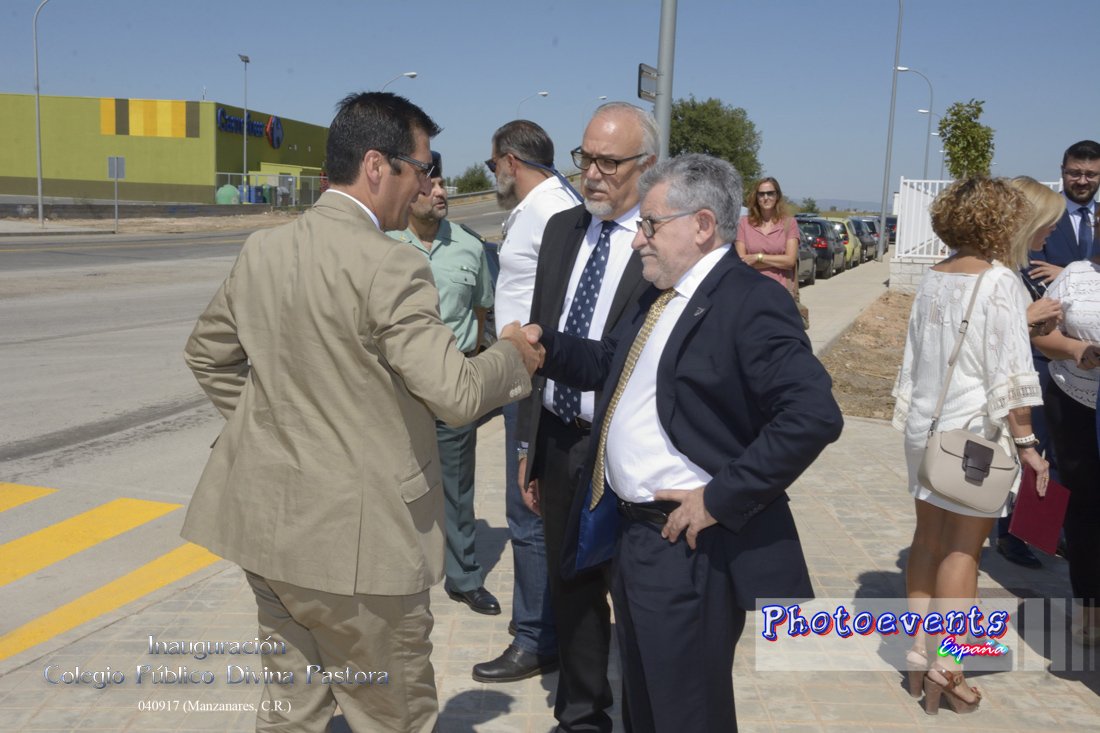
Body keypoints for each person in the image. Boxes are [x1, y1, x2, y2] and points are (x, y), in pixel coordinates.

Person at [181, 92, 540, 733]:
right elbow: (456, 393)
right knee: (391, 715)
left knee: (293, 711)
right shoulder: (390, 263)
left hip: (270, 531)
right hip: (361, 554)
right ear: (377, 166)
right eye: (421, 169)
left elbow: (208, 355)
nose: (427, 185)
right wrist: (514, 354)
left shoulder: (264, 249)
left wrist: (277, 431)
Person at [530, 153, 844, 732]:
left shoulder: (750, 300)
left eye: (650, 225)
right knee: (647, 705)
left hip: (685, 545)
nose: (637, 241)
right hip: (632, 538)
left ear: (702, 225)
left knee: (686, 711)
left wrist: (720, 498)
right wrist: (545, 344)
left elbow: (813, 415)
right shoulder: (661, 293)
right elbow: (607, 362)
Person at [516, 101, 656, 731]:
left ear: (645, 165)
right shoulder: (562, 230)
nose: (592, 173)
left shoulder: (661, 242)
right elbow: (539, 342)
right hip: (558, 438)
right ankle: (581, 717)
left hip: (624, 449)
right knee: (570, 590)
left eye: (609, 162)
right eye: (585, 158)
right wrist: (529, 446)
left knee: (636, 594)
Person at [893, 177, 1048, 715]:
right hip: (974, 438)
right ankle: (949, 665)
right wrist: (1027, 444)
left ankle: (920, 653)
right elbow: (1012, 374)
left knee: (926, 541)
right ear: (1001, 222)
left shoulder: (933, 276)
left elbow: (913, 358)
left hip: (927, 429)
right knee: (963, 551)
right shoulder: (999, 281)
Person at [473, 119, 581, 682]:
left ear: (511, 161)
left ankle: (538, 637)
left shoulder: (552, 211)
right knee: (532, 502)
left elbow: (569, 300)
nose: (494, 174)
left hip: (536, 376)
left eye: (493, 165)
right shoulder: (543, 206)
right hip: (527, 372)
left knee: (527, 505)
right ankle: (537, 620)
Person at [387, 151, 500, 615]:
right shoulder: (383, 244)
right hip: (396, 388)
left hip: (452, 383)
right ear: (409, 192)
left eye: (442, 184)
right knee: (392, 483)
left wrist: (465, 364)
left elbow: (481, 311)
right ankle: (393, 575)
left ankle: (464, 576)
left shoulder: (469, 247)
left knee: (456, 485)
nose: (440, 192)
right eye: (429, 185)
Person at [1007, 141, 1100, 567]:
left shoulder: (1097, 216)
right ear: (1063, 170)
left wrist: (1072, 274)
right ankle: (1014, 534)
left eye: (1091, 174)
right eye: (1075, 172)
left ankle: (1054, 533)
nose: (1082, 180)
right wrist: (1074, 274)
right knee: (1033, 446)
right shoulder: (1047, 214)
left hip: (1086, 370)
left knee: (1069, 460)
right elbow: (1032, 268)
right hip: (1044, 352)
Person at [991, 177, 1067, 567]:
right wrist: (1030, 319)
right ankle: (1012, 535)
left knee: (1048, 457)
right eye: (1049, 221)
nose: (1054, 230)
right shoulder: (998, 273)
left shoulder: (1018, 268)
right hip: (1019, 382)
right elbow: (989, 336)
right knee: (1025, 456)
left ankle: (1039, 533)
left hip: (1052, 372)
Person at [1031, 246, 1100, 646]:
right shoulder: (1074, 274)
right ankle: (1090, 608)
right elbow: (1041, 333)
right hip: (1075, 403)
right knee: (1084, 508)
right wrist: (1077, 350)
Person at [734, 177, 799, 289]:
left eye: (770, 193)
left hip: (781, 291)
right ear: (756, 197)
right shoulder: (744, 223)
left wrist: (757, 257)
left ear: (777, 196)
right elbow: (741, 261)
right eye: (761, 194)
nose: (766, 198)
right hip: (750, 289)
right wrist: (778, 261)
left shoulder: (789, 223)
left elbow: (790, 261)